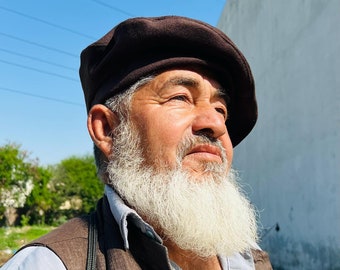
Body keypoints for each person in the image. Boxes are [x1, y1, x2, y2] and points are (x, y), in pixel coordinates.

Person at [1, 16, 272, 270]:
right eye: (180, 97)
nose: (216, 124)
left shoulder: (247, 257)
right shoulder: (48, 263)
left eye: (221, 109)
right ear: (108, 130)